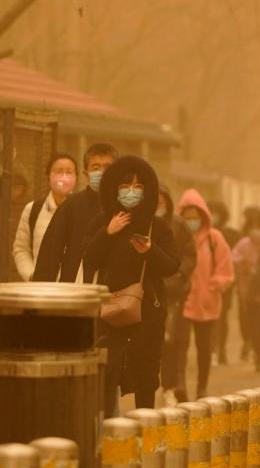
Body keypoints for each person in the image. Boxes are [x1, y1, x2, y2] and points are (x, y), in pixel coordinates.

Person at [83, 156, 181, 414]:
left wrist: (150, 250)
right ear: (114, 188)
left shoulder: (156, 226)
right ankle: (105, 434)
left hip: (147, 313)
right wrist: (108, 233)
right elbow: (89, 259)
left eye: (138, 186)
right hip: (109, 312)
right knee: (107, 375)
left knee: (145, 377)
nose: (131, 191)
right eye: (126, 185)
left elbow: (172, 265)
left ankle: (145, 434)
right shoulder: (102, 221)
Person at [174, 189, 235, 400]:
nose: (191, 221)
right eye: (187, 218)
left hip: (207, 302)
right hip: (181, 300)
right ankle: (179, 384)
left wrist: (213, 285)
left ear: (203, 216)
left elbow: (226, 268)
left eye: (195, 217)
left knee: (203, 347)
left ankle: (202, 387)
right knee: (179, 345)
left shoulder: (214, 238)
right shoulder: (175, 237)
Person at [34, 143, 118, 282]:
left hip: (117, 290)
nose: (102, 172)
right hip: (77, 286)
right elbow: (50, 253)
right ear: (86, 173)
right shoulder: (71, 205)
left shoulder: (124, 206)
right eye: (96, 168)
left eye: (108, 167)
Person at [157, 185, 198, 405]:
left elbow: (191, 254)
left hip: (174, 294)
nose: (158, 205)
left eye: (161, 201)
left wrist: (180, 275)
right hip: (149, 292)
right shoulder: (141, 223)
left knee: (171, 341)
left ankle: (171, 385)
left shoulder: (179, 224)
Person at [12, 153, 78, 280]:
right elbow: (21, 248)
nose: (63, 176)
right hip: (40, 288)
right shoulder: (32, 210)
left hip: (73, 289)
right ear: (49, 177)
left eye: (69, 172)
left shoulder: (83, 210)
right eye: (58, 171)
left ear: (76, 178)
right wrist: (31, 275)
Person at [232, 207, 260, 372]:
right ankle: (258, 353)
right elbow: (233, 256)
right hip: (249, 289)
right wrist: (244, 262)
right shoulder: (244, 243)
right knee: (253, 323)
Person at [208, 199, 241, 365]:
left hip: (225, 283)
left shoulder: (231, 234)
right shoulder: (202, 233)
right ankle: (212, 349)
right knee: (210, 318)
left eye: (217, 212)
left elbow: (235, 259)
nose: (214, 216)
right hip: (206, 282)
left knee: (222, 318)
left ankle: (220, 349)